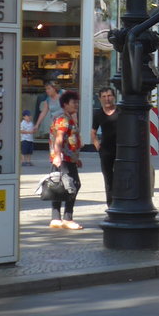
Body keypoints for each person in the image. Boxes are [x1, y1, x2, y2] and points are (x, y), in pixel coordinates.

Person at [47, 90, 83, 229]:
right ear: (65, 104)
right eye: (73, 103)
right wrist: (58, 155)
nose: (76, 105)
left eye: (77, 102)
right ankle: (68, 218)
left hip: (66, 158)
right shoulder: (64, 119)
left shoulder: (65, 117)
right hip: (64, 158)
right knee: (73, 185)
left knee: (58, 184)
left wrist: (76, 158)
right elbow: (59, 138)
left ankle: (55, 218)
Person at [90, 86, 119, 206]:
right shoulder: (98, 113)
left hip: (121, 148)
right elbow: (93, 132)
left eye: (109, 96)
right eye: (104, 97)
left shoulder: (121, 111)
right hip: (106, 149)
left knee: (121, 175)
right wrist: (97, 146)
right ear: (100, 99)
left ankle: (120, 200)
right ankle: (110, 203)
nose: (107, 99)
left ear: (114, 97)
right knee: (108, 177)